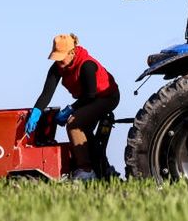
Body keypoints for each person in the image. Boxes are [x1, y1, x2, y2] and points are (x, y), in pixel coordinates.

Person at [25, 34, 120, 181]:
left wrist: (70, 109)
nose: (58, 61)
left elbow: (90, 95)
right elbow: (46, 93)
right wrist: (36, 111)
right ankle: (103, 168)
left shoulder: (87, 65)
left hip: (106, 97)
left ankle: (86, 171)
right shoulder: (58, 66)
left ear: (72, 52)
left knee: (74, 124)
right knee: (85, 130)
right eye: (56, 57)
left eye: (61, 57)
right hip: (89, 98)